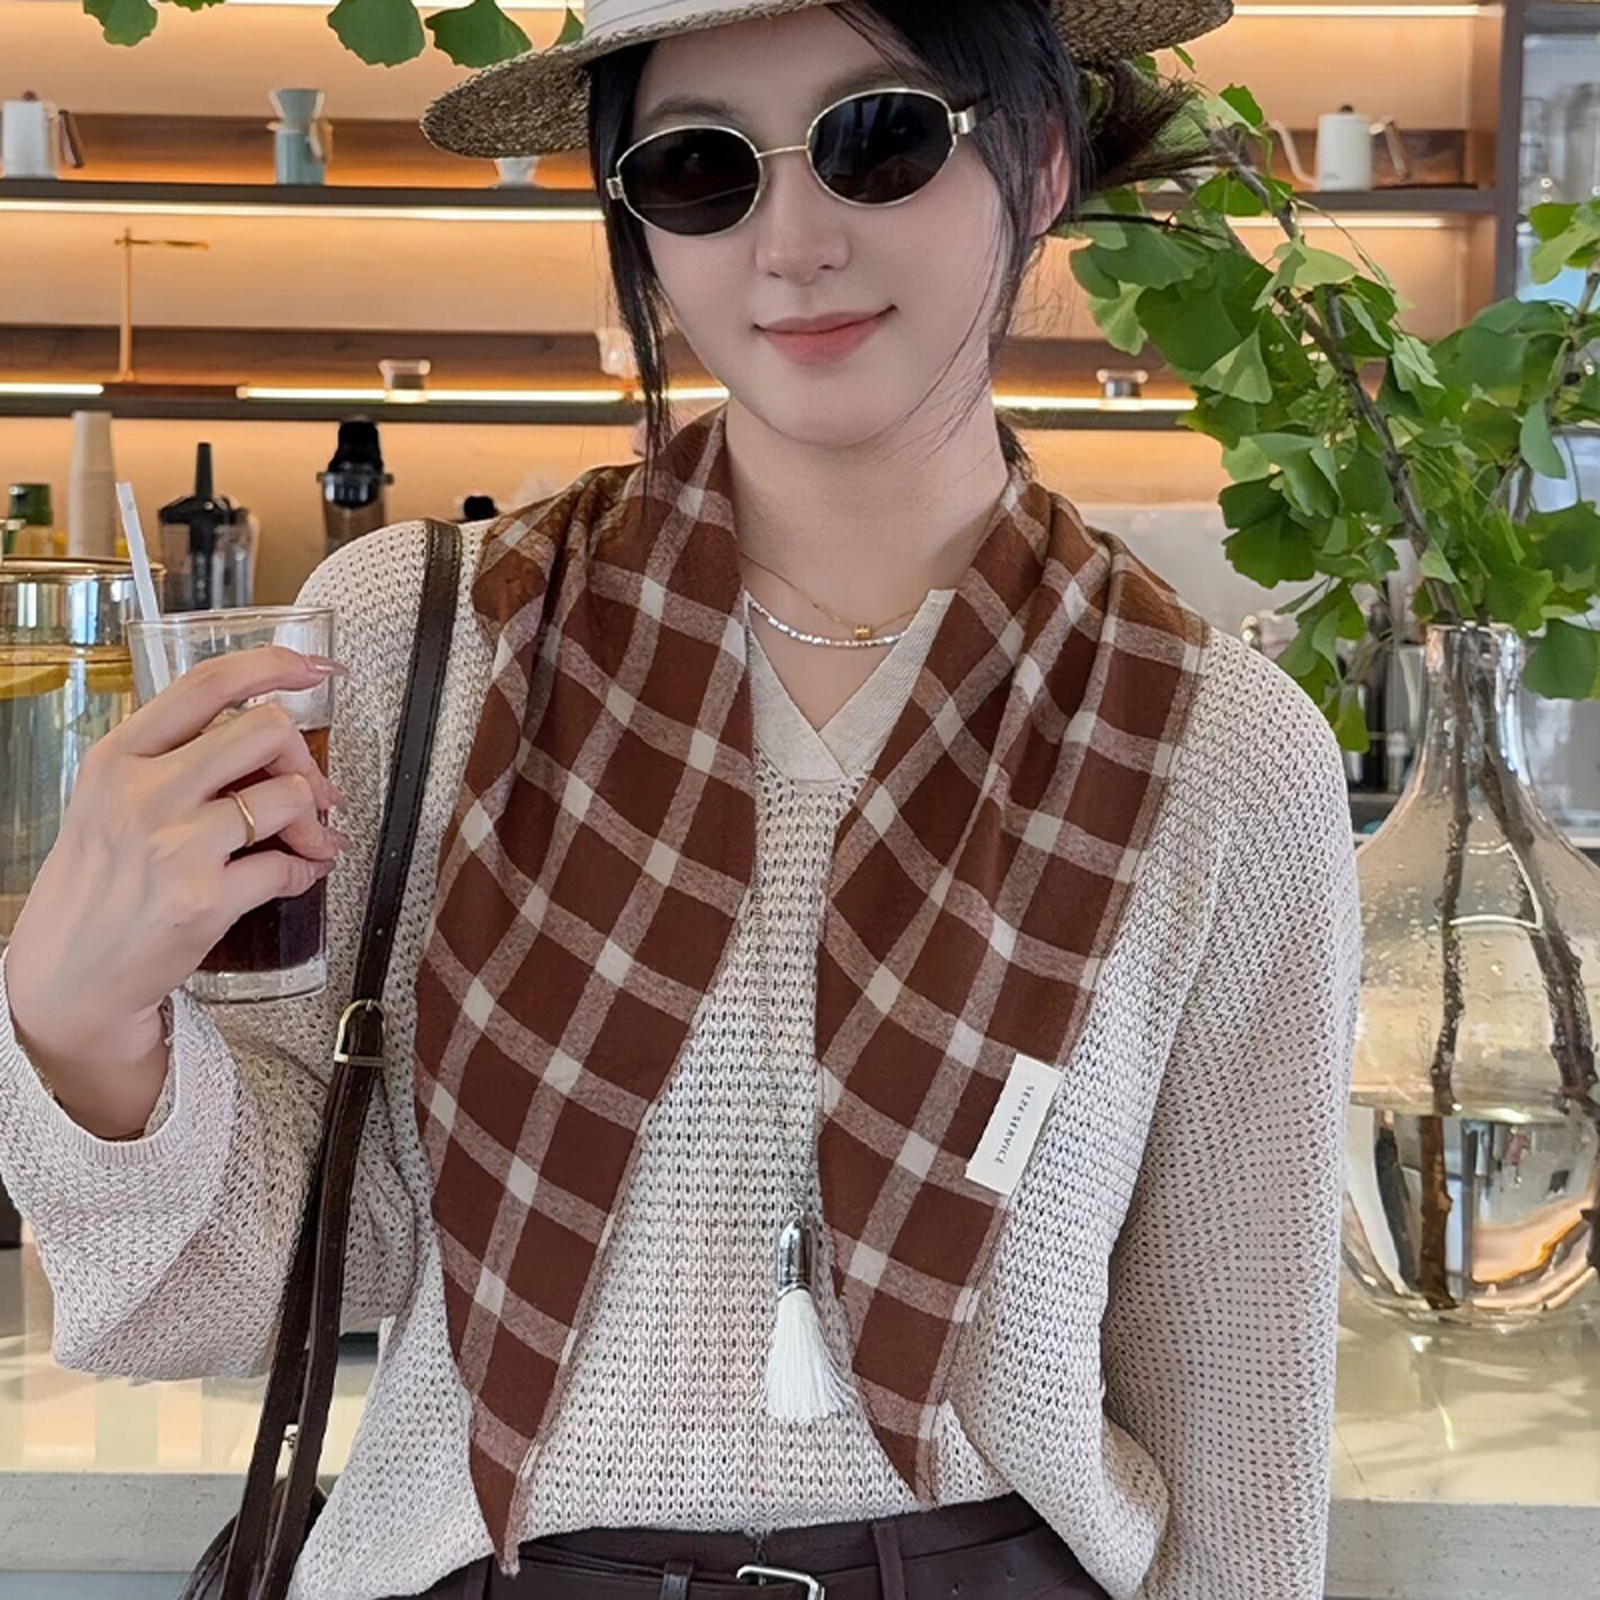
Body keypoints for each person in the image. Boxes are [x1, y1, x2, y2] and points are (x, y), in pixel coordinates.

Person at [0, 2, 1364, 1598]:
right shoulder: (424, 644)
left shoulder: (1213, 750)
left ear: (1040, 159)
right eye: (700, 169)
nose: (792, 244)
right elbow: (256, 1282)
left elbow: (1241, 1410)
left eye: (877, 140)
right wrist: (79, 1027)